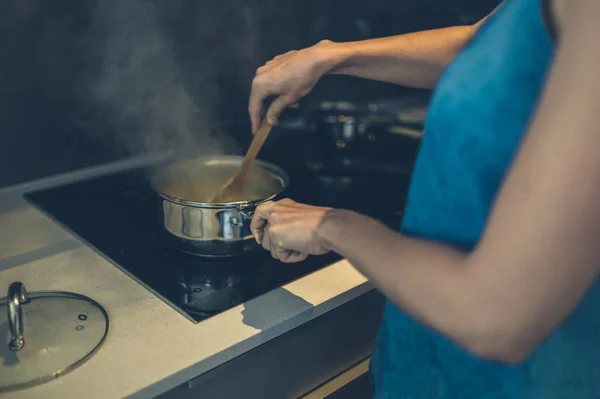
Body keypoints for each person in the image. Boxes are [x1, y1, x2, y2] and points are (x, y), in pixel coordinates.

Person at [249, 0, 600, 398]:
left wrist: (332, 226)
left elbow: (495, 319)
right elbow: (484, 47)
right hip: (422, 364)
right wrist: (331, 57)